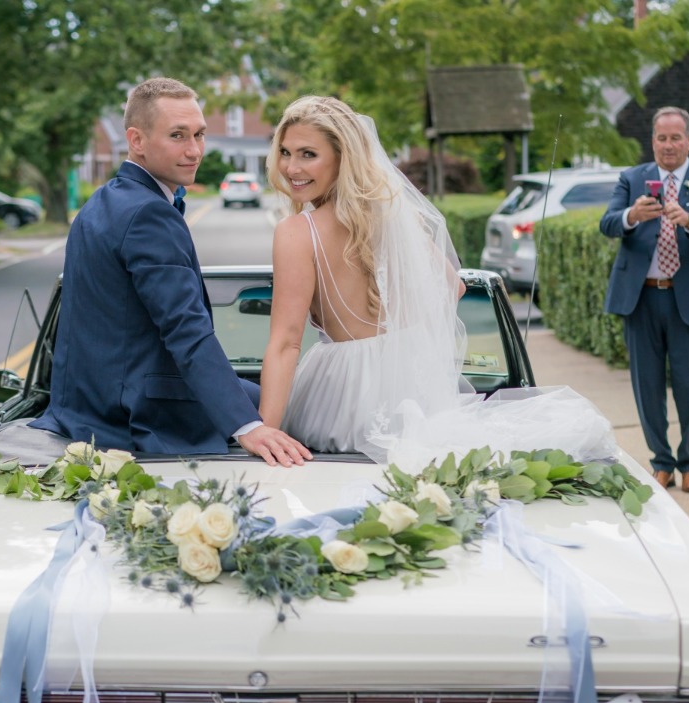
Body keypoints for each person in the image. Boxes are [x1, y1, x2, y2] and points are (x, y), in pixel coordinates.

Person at [260, 96, 616, 467]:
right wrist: (395, 334)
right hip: (412, 395)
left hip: (341, 397)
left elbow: (286, 343)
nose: (290, 167)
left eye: (307, 154)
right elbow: (455, 287)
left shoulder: (296, 233)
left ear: (342, 157)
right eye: (285, 152)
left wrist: (266, 430)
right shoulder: (394, 213)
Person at [31, 77, 310, 468]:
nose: (194, 150)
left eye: (199, 134)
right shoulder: (148, 212)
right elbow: (185, 329)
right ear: (136, 140)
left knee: (274, 394)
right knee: (303, 409)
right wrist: (247, 426)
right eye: (178, 136)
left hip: (87, 410)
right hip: (140, 418)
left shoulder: (101, 202)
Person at [601, 106, 689, 493]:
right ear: (653, 142)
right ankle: (661, 463)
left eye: (675, 138)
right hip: (642, 298)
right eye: (661, 138)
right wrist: (632, 215)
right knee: (646, 385)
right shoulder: (632, 179)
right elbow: (608, 222)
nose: (668, 145)